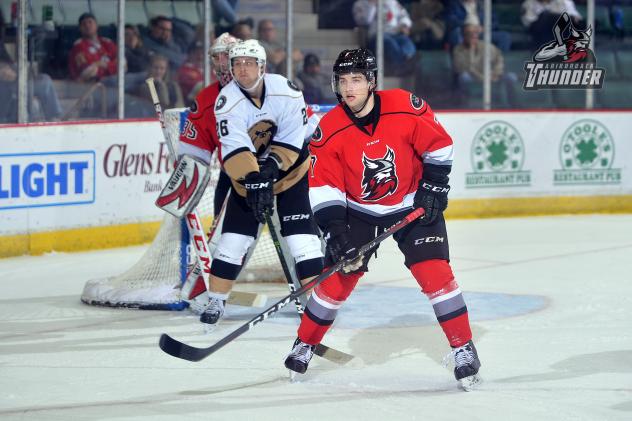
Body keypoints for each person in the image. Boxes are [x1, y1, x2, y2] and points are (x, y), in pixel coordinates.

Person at [283, 48, 482, 389]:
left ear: (372, 82)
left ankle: (463, 347)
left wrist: (433, 187)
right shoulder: (328, 129)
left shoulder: (405, 106)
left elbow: (439, 146)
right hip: (359, 210)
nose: (349, 89)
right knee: (336, 280)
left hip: (411, 204)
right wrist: (335, 230)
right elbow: (324, 186)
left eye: (356, 80)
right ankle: (305, 343)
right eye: (343, 81)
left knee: (435, 273)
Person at [198, 39, 324, 328]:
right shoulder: (226, 101)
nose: (242, 69)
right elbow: (234, 146)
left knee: (302, 242)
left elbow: (293, 136)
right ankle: (216, 301)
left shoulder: (287, 91)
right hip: (248, 178)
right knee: (232, 242)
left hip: (291, 172)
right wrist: (255, 180)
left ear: (262, 67)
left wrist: (271, 167)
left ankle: (319, 305)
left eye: (249, 63)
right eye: (237, 64)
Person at [452, 23, 517, 107]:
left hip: (491, 75)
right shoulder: (458, 50)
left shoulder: (486, 46)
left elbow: (499, 59)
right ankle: (464, 105)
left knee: (511, 77)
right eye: (469, 33)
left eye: (475, 33)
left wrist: (495, 73)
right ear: (464, 35)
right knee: (464, 77)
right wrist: (484, 78)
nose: (473, 35)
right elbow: (465, 68)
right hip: (474, 77)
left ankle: (513, 105)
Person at [352, 0, 416, 75]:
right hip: (377, 36)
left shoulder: (392, 2)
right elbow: (364, 21)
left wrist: (404, 24)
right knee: (390, 44)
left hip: (395, 33)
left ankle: (404, 61)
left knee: (407, 44)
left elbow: (403, 15)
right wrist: (371, 4)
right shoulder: (360, 3)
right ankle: (402, 65)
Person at [68, 13, 117, 82]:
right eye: (84, 24)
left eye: (90, 22)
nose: (87, 25)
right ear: (80, 29)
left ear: (97, 25)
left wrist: (101, 64)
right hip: (97, 83)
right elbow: (87, 72)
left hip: (116, 78)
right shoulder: (78, 47)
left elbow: (123, 65)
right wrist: (112, 66)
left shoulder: (107, 42)